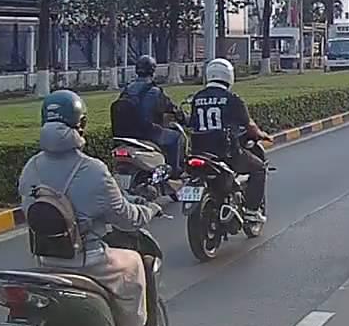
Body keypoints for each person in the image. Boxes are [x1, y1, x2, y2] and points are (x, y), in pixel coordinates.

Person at [19, 90, 161, 326]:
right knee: (134, 263)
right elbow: (126, 219)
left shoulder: (31, 168)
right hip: (88, 261)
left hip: (46, 261)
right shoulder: (93, 170)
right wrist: (150, 209)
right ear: (81, 124)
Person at [188, 58, 272, 222]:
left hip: (200, 152)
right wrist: (261, 134)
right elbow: (249, 126)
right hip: (226, 152)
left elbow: (192, 123)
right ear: (229, 76)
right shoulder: (232, 98)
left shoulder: (197, 98)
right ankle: (251, 211)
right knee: (259, 169)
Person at [115, 55, 184, 173]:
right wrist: (182, 117)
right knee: (176, 137)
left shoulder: (126, 90)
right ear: (153, 70)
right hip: (147, 132)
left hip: (125, 135)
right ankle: (174, 172)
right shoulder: (155, 91)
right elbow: (171, 108)